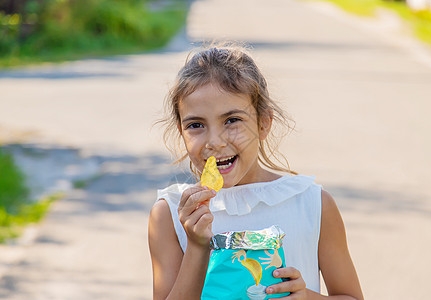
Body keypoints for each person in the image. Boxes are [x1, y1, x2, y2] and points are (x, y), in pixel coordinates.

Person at [148, 43, 364, 300]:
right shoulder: (170, 215)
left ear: (263, 124)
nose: (214, 141)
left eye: (232, 120)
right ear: (181, 131)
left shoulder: (312, 204)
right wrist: (196, 246)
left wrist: (306, 296)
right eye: (196, 125)